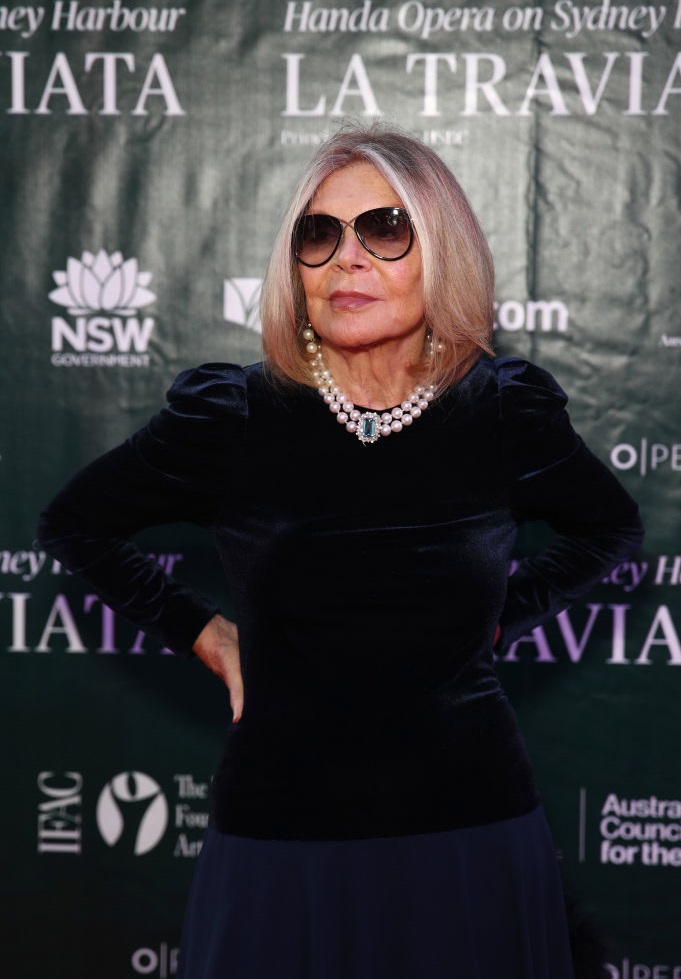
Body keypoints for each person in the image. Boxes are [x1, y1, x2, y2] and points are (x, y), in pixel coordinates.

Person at [38, 123, 643, 979]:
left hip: (467, 825)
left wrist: (498, 615)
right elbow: (74, 523)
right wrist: (207, 634)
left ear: (441, 252)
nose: (346, 259)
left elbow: (611, 527)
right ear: (295, 268)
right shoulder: (232, 417)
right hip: (281, 834)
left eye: (384, 229)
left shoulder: (502, 413)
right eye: (317, 235)